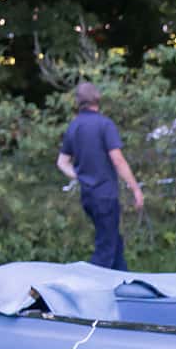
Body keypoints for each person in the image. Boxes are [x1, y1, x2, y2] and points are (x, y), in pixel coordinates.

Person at [55, 81, 143, 272]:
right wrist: (135, 189)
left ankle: (123, 285)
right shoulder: (104, 125)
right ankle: (88, 289)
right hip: (105, 196)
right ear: (98, 98)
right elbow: (118, 160)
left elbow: (62, 162)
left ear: (79, 102)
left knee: (114, 243)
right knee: (105, 250)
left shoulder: (74, 127)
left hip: (88, 197)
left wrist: (79, 177)